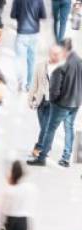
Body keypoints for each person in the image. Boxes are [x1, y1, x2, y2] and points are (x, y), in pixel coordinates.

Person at [29, 38, 82, 168]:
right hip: (75, 103)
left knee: (50, 129)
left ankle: (42, 158)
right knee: (69, 128)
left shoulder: (62, 65)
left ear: (64, 49)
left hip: (61, 104)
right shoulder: (79, 61)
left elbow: (54, 89)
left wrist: (53, 100)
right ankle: (66, 158)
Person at [29, 45, 64, 160]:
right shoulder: (40, 66)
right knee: (44, 127)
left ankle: (41, 148)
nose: (56, 56)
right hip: (41, 101)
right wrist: (30, 99)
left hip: (54, 103)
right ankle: (44, 146)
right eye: (54, 53)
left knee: (47, 127)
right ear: (49, 54)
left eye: (58, 54)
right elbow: (34, 83)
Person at [11, 0, 47, 92]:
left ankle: (20, 81)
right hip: (34, 34)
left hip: (21, 33)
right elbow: (43, 15)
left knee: (19, 59)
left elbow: (13, 15)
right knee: (31, 61)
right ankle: (29, 85)